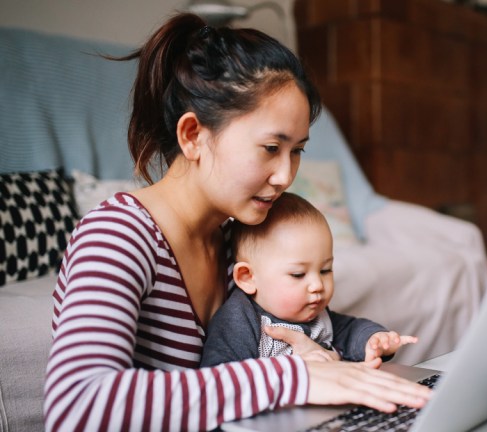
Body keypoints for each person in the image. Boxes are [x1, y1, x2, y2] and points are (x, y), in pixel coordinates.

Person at [43, 13, 430, 431]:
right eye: (270, 147)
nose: (285, 176)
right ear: (192, 135)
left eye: (297, 150)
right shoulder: (117, 236)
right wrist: (290, 378)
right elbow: (76, 407)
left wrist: (316, 360)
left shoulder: (239, 243)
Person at [201, 192, 417, 367]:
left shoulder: (316, 314)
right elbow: (221, 378)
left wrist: (375, 340)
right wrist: (291, 368)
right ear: (248, 278)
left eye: (325, 270)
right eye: (298, 274)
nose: (317, 285)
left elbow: (350, 330)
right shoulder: (239, 320)